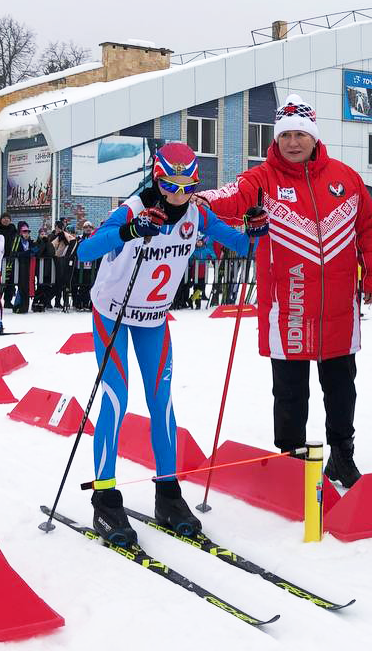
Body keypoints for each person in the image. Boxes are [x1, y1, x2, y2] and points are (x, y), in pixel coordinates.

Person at [77, 143, 265, 546]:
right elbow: (85, 250)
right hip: (112, 311)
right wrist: (130, 231)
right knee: (115, 398)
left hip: (153, 318)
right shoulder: (133, 207)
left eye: (187, 185)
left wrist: (255, 231)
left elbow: (241, 245)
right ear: (157, 180)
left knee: (161, 401)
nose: (179, 194)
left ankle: (168, 493)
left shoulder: (197, 212)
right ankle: (105, 498)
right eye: (170, 185)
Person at [201, 93, 372, 488]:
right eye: (286, 135)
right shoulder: (262, 178)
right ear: (276, 139)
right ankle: (292, 460)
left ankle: (342, 455)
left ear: (314, 137)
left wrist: (371, 275)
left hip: (338, 307)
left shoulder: (346, 178)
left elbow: (368, 230)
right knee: (289, 392)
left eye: (301, 134)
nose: (293, 142)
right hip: (289, 308)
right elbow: (232, 197)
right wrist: (199, 201)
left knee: (341, 388)